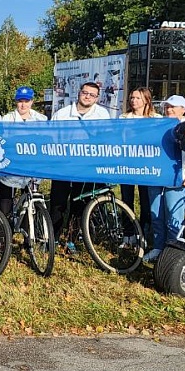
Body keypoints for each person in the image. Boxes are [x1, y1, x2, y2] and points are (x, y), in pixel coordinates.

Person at [49, 81, 110, 251]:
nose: (87, 97)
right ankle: (52, 237)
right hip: (63, 166)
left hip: (86, 167)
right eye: (85, 93)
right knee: (58, 203)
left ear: (97, 98)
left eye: (92, 95)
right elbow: (52, 138)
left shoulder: (102, 115)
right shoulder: (62, 114)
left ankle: (72, 239)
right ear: (79, 93)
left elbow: (106, 140)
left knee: (80, 204)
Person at [143, 95, 185, 263]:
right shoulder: (158, 125)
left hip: (178, 179)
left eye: (173, 107)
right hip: (156, 177)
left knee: (173, 217)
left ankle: (172, 253)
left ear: (183, 109)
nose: (169, 109)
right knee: (156, 215)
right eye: (167, 106)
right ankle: (158, 247)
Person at [119, 87, 163, 238]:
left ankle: (143, 232)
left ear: (146, 100)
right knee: (126, 199)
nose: (134, 101)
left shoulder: (156, 118)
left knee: (146, 200)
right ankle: (128, 232)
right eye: (132, 97)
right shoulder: (124, 118)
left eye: (137, 98)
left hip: (146, 165)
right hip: (127, 164)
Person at [0, 86, 47, 217]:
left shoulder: (41, 119)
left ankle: (28, 233)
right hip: (11, 167)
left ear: (31, 101)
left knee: (29, 203)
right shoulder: (7, 119)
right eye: (20, 101)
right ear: (16, 101)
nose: (23, 104)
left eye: (26, 101)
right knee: (6, 203)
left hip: (32, 167)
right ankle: (5, 234)